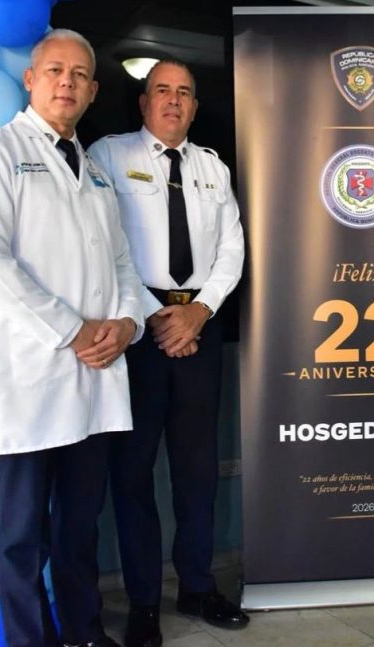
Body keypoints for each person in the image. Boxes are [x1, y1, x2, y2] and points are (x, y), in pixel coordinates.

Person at [0, 29, 147, 647]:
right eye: (56, 71)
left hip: (94, 376)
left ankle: (85, 633)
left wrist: (127, 324)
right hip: (30, 378)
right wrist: (73, 330)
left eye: (80, 75)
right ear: (31, 80)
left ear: (92, 92)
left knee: (79, 527)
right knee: (21, 536)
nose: (68, 82)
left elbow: (121, 264)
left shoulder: (95, 173)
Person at [87, 57, 247, 646]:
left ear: (195, 107)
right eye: (162, 90)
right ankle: (144, 604)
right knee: (132, 475)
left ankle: (198, 586)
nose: (173, 100)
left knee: (197, 472)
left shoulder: (212, 167)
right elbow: (104, 243)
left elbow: (232, 248)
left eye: (184, 92)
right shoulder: (109, 155)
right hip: (138, 332)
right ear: (144, 101)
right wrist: (155, 314)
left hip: (200, 331)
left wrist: (199, 311)